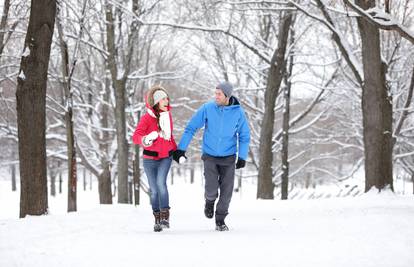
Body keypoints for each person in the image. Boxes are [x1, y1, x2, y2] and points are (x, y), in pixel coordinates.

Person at [173, 81, 250, 231]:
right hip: (210, 155)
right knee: (211, 188)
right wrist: (181, 149)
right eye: (215, 93)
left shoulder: (238, 112)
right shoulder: (208, 108)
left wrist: (242, 156)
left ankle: (220, 220)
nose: (216, 96)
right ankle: (209, 201)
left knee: (227, 191)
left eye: (219, 94)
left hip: (228, 156)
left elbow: (244, 135)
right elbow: (191, 127)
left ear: (227, 95)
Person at [133, 85, 177, 232]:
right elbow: (136, 136)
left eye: (167, 98)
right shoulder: (146, 119)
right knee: (154, 190)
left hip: (166, 157)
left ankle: (165, 218)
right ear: (157, 102)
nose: (167, 101)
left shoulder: (167, 116)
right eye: (164, 99)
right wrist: (145, 139)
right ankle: (157, 219)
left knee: (161, 184)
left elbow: (169, 137)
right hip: (149, 159)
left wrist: (177, 151)